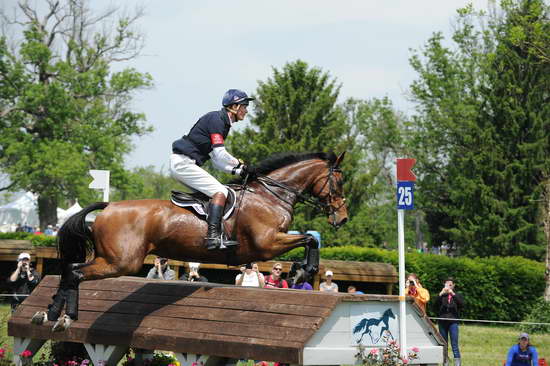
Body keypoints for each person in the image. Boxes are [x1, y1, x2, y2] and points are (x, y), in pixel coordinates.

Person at [170, 89, 255, 251]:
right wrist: (239, 163)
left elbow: (216, 160)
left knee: (219, 192)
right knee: (220, 192)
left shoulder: (223, 123)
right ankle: (213, 237)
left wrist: (237, 172)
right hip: (183, 163)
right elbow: (220, 153)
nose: (246, 110)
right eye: (244, 106)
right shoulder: (217, 120)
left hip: (185, 163)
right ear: (234, 106)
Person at [436, 277, 464, 366]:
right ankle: (445, 362)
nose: (449, 286)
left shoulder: (457, 295)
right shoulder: (442, 295)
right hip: (442, 321)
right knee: (444, 343)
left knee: (454, 344)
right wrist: (441, 293)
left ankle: (457, 363)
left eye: (450, 284)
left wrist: (453, 294)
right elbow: (434, 305)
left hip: (453, 322)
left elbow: (462, 304)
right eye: (447, 284)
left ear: (453, 285)